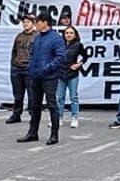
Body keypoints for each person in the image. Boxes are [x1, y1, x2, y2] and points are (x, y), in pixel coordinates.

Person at [19, 14, 66, 145]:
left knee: (52, 105)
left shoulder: (56, 38)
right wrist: (30, 69)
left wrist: (47, 69)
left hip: (49, 77)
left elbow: (60, 57)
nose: (36, 25)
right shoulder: (37, 38)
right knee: (34, 105)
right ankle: (33, 132)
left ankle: (54, 134)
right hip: (35, 76)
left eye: (38, 22)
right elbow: (32, 55)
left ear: (45, 23)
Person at [6, 13, 37, 124]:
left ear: (33, 24)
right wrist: (13, 65)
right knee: (18, 95)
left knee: (32, 95)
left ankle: (33, 115)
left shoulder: (37, 36)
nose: (25, 24)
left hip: (29, 69)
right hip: (17, 68)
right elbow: (14, 52)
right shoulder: (19, 36)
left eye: (28, 22)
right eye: (24, 22)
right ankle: (16, 114)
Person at [57, 26, 89, 129]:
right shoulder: (59, 45)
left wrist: (79, 64)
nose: (69, 35)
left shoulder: (78, 45)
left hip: (72, 74)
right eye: (67, 33)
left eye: (71, 33)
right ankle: (58, 118)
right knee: (60, 98)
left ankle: (74, 118)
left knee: (73, 97)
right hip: (60, 74)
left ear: (75, 35)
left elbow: (85, 56)